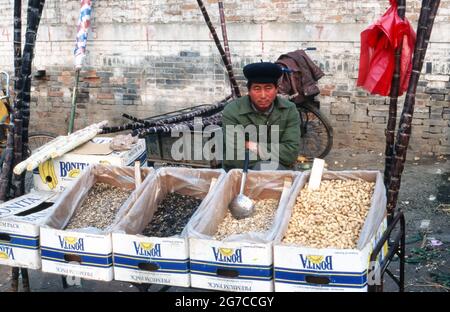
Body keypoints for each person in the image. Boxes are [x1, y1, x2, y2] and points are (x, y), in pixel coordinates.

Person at [222, 62, 300, 171]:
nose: (263, 95)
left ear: (276, 89)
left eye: (268, 88)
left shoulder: (289, 110)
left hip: (279, 170)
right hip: (239, 172)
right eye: (257, 89)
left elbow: (291, 153)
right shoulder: (232, 111)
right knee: (262, 167)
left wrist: (255, 146)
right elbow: (236, 157)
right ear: (249, 91)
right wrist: (275, 154)